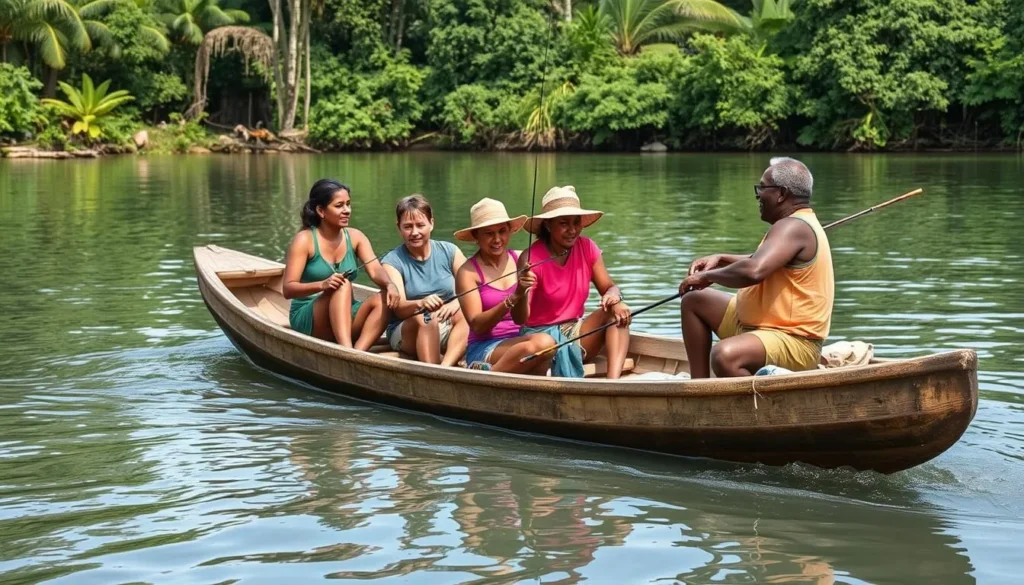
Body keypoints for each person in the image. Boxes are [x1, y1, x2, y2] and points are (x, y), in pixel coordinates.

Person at [677, 157, 834, 378]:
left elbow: (754, 270)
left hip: (792, 340)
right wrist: (721, 259)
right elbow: (760, 259)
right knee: (694, 301)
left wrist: (707, 276)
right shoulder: (793, 224)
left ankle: (757, 407)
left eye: (762, 187)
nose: (758, 194)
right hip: (756, 326)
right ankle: (699, 387)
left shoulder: (793, 226)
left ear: (781, 193)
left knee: (724, 355)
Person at [512, 186, 632, 379]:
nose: (572, 230)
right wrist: (520, 291)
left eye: (576, 222)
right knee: (546, 343)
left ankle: (613, 383)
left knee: (617, 311)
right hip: (540, 338)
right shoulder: (531, 258)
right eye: (564, 223)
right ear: (548, 225)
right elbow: (520, 318)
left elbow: (609, 286)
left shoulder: (587, 247)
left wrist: (614, 297)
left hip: (575, 331)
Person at [282, 179, 400, 349]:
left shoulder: (356, 237)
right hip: (310, 317)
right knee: (342, 285)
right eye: (339, 206)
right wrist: (323, 284)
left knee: (385, 298)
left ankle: (359, 351)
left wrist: (390, 285)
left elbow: (375, 269)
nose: (347, 211)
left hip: (345, 314)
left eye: (348, 204)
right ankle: (346, 350)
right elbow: (288, 289)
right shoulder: (304, 240)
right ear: (321, 211)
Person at [453, 198, 556, 374]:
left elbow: (522, 319)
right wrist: (513, 297)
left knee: (547, 351)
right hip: (485, 346)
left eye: (502, 231)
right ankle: (487, 380)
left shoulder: (520, 259)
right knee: (543, 344)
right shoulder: (467, 272)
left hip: (522, 338)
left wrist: (524, 292)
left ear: (510, 231)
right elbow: (478, 325)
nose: (497, 239)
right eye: (489, 233)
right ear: (476, 236)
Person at [382, 194, 469, 366]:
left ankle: (446, 367)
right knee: (426, 320)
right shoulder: (391, 261)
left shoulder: (450, 251)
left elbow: (473, 286)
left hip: (446, 323)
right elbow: (399, 309)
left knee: (467, 312)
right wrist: (421, 304)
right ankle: (433, 371)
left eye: (420, 225)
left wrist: (456, 303)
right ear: (399, 228)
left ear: (431, 224)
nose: (414, 233)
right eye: (408, 227)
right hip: (409, 329)